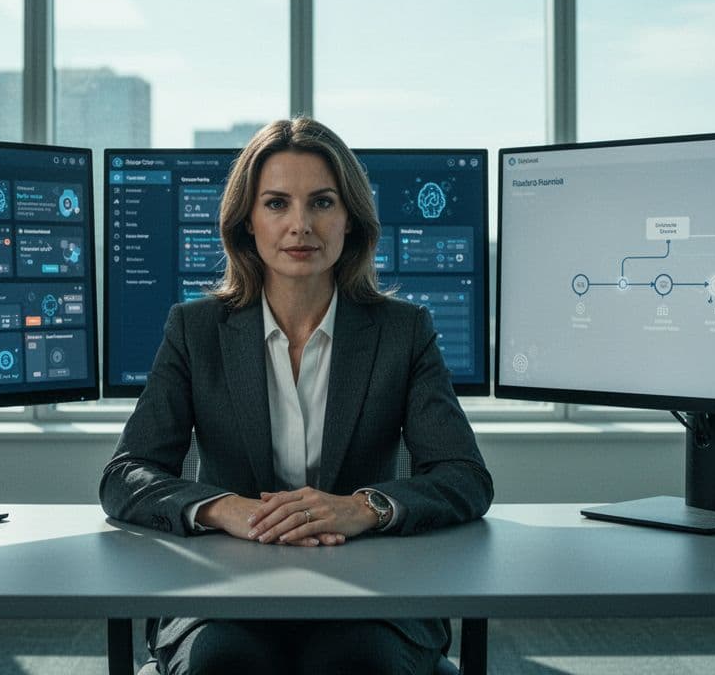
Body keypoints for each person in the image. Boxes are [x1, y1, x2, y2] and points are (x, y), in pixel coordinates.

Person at [99, 117, 494, 675]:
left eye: (323, 203)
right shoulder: (196, 329)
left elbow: (464, 476)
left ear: (351, 220)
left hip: (369, 595)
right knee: (224, 665)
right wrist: (224, 509)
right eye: (277, 203)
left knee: (356, 665)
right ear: (247, 223)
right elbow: (125, 475)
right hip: (225, 595)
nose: (300, 225)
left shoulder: (403, 330)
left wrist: (364, 507)